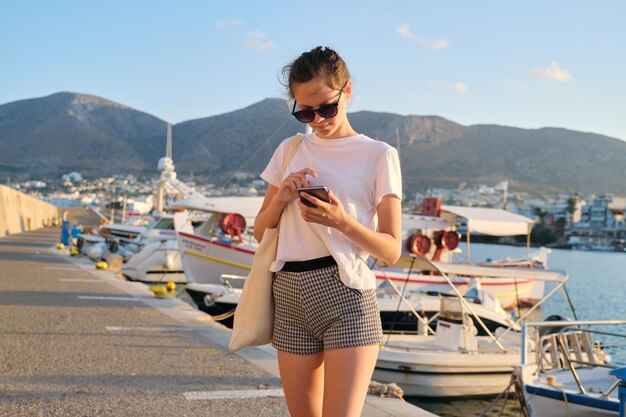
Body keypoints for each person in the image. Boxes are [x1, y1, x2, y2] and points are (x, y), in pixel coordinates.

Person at [253, 46, 402, 417]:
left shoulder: (378, 155)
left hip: (346, 296)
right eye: (305, 112)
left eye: (326, 107)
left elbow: (392, 249)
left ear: (347, 91)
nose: (317, 119)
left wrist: (341, 221)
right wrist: (281, 198)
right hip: (288, 294)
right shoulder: (290, 149)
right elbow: (260, 231)